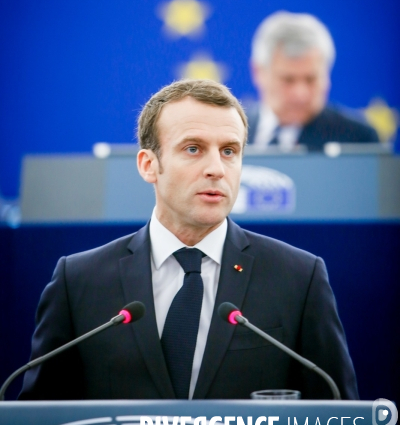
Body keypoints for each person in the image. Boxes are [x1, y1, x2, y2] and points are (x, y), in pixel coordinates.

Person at [20, 79, 358, 400]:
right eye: (193, 148)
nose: (216, 168)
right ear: (149, 165)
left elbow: (341, 423)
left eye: (229, 151)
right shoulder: (79, 281)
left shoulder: (299, 278)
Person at [248, 11, 379, 150]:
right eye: (288, 80)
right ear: (258, 72)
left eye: (311, 79)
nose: (300, 93)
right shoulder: (229, 130)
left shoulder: (359, 140)